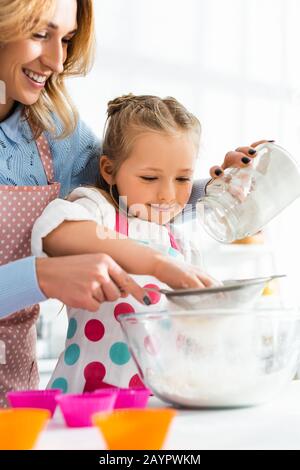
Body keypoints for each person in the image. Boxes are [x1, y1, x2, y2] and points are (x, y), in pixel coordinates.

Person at [0, 0, 265, 403]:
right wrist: (38, 277)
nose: (57, 60)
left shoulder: (54, 132)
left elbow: (127, 198)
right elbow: (69, 229)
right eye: (40, 33)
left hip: (14, 392)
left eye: (67, 38)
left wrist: (220, 190)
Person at [31, 93, 254, 392]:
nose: (167, 195)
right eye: (150, 178)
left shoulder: (180, 243)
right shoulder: (100, 211)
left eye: (182, 179)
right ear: (109, 170)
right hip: (92, 396)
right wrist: (156, 264)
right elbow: (55, 231)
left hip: (159, 399)